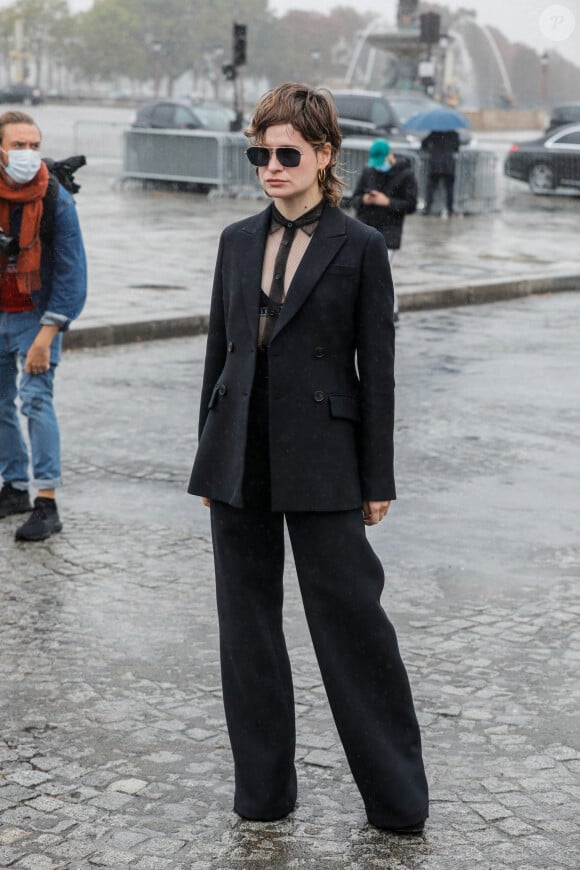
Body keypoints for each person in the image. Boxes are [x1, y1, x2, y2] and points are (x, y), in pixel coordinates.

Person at [188, 83, 428, 833]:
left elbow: (376, 369)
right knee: (246, 632)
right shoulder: (234, 240)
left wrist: (376, 478)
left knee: (352, 623)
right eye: (259, 153)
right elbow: (219, 353)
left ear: (325, 155)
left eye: (286, 153)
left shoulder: (359, 247)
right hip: (238, 455)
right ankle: (263, 795)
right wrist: (209, 454)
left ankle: (397, 801)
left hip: (325, 455)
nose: (270, 166)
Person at [0, 110, 87, 541]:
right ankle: (13, 487)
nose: (28, 155)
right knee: (0, 406)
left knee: (36, 402)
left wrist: (48, 333)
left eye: (34, 145)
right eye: (18, 146)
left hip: (35, 316)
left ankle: (46, 502)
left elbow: (73, 275)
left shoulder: (54, 198)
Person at [350, 138, 418, 321]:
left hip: (390, 232)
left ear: (391, 155)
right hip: (365, 228)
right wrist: (364, 199)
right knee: (364, 272)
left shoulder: (406, 175)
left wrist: (387, 202)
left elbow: (411, 205)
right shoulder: (369, 170)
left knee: (381, 272)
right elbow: (354, 199)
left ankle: (391, 310)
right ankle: (367, 309)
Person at [421, 129, 460, 216]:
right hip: (449, 164)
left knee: (431, 187)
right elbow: (457, 148)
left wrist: (431, 148)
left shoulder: (434, 133)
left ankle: (428, 208)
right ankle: (450, 209)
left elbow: (423, 144)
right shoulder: (454, 134)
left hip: (436, 163)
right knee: (449, 188)